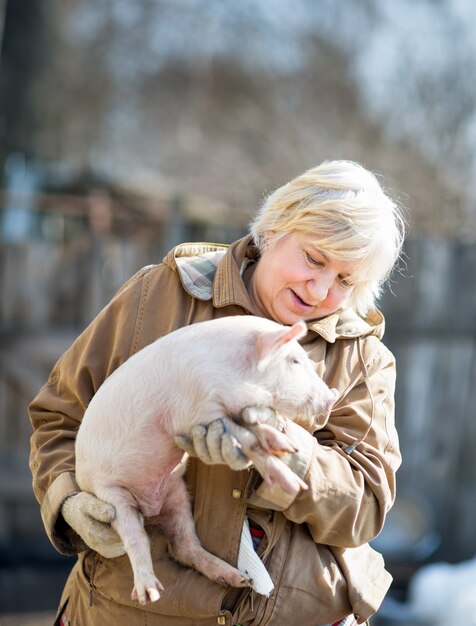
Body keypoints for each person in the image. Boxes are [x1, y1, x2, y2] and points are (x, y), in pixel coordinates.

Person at [29, 159, 406, 626]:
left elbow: (366, 506)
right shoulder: (161, 294)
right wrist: (69, 499)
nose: (321, 288)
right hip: (131, 610)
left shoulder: (362, 357)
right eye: (314, 258)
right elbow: (59, 416)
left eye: (346, 279)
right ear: (272, 230)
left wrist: (287, 453)